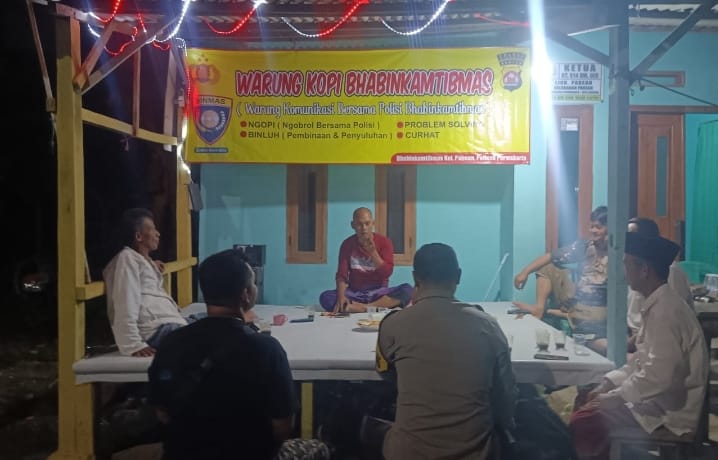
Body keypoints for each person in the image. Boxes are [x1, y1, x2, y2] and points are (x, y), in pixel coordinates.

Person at [148, 249, 330, 460]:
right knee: (318, 449)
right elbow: (283, 427)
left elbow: (162, 412)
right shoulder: (266, 349)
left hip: (183, 454)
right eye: (253, 284)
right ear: (246, 294)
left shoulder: (171, 342)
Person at [569, 232, 708, 460]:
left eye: (627, 264)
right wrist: (608, 383)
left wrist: (616, 397)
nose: (624, 271)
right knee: (585, 398)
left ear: (644, 270)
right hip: (656, 399)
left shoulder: (666, 312)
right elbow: (641, 361)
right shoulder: (657, 303)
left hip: (668, 411)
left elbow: (659, 376)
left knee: (585, 420)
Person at [375, 243, 516, 459]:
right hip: (477, 453)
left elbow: (386, 374)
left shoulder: (392, 324)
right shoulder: (487, 325)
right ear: (458, 276)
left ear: (415, 278)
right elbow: (505, 395)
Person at [513, 206, 609, 354]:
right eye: (591, 226)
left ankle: (555, 312)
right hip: (579, 296)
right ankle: (540, 309)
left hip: (601, 305)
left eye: (598, 227)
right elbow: (551, 256)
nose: (593, 230)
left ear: (610, 228)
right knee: (548, 267)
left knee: (592, 336)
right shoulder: (585, 246)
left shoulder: (618, 250)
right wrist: (524, 272)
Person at [103, 208, 188, 356]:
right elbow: (125, 300)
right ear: (138, 236)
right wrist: (132, 343)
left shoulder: (142, 261)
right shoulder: (127, 258)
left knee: (222, 318)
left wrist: (150, 264)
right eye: (152, 229)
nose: (158, 233)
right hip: (157, 330)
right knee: (215, 333)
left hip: (172, 322)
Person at [319, 207, 412, 313]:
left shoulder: (385, 242)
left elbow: (387, 273)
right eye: (359, 224)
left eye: (367, 223)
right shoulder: (347, 244)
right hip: (355, 293)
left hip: (379, 292)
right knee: (326, 297)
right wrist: (341, 297)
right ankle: (375, 307)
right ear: (353, 225)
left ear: (373, 223)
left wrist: (373, 252)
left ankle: (364, 308)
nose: (364, 228)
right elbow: (342, 275)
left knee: (407, 290)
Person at [626, 216, 693, 337]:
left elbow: (666, 323)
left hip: (653, 335)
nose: (628, 241)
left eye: (632, 236)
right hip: (636, 335)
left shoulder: (669, 271)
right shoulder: (633, 268)